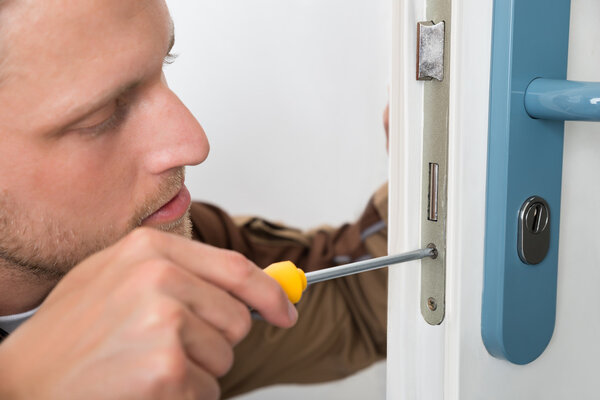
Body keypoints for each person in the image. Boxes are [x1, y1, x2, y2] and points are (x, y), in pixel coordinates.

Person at [0, 0, 389, 398]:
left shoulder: (167, 258)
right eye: (98, 117)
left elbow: (357, 299)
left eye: (166, 62)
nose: (194, 143)